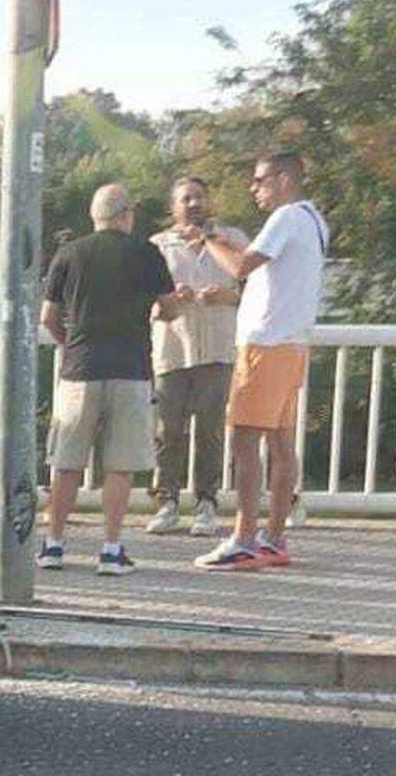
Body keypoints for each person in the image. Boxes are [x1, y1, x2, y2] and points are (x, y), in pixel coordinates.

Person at [189, 153, 329, 571]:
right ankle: (274, 538)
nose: (254, 188)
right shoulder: (313, 219)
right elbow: (257, 257)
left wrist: (209, 241)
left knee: (245, 441)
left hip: (265, 344)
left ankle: (245, 538)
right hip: (290, 343)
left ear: (283, 179)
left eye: (259, 180)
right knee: (282, 444)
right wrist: (223, 239)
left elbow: (241, 267)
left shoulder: (285, 217)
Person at [37, 183, 180, 575]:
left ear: (94, 216)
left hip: (80, 369)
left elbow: (48, 317)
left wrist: (70, 344)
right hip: (130, 368)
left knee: (66, 462)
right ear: (126, 215)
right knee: (119, 466)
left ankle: (53, 544)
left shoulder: (69, 254)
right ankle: (111, 550)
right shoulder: (147, 253)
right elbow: (169, 308)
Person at [146, 177, 248, 537]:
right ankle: (167, 501)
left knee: (210, 430)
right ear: (173, 206)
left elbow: (255, 293)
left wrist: (223, 297)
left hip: (218, 348)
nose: (193, 203)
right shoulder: (157, 246)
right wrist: (172, 299)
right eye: (185, 198)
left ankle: (207, 502)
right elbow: (146, 303)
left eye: (199, 197)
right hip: (172, 349)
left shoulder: (232, 239)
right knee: (167, 431)